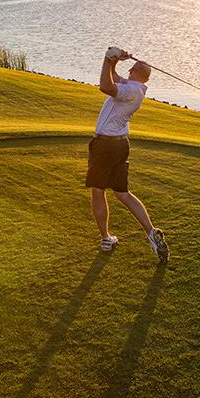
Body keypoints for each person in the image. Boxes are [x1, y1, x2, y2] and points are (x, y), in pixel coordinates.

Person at [86, 46, 169, 262]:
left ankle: (106, 238)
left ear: (133, 71)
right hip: (120, 144)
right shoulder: (135, 88)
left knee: (98, 191)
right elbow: (114, 78)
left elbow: (105, 85)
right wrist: (114, 62)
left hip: (105, 146)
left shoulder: (130, 91)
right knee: (122, 193)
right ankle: (151, 232)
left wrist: (107, 59)